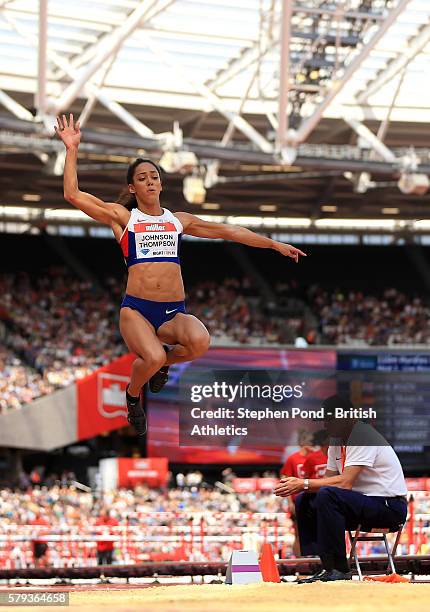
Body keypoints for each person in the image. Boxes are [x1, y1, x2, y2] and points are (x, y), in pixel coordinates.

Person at [55, 113, 306, 437]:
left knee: (200, 342)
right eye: (142, 177)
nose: (149, 181)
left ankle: (161, 366)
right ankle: (133, 395)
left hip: (173, 311)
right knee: (154, 355)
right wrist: (71, 148)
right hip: (137, 310)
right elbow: (73, 195)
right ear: (132, 187)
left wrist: (272, 244)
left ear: (160, 183)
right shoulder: (123, 217)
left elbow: (227, 230)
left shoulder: (178, 220)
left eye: (154, 176)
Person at [274, 395, 408, 583]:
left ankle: (339, 569)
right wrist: (299, 488)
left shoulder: (363, 435)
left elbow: (345, 483)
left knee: (326, 494)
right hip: (363, 503)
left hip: (389, 507)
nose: (325, 425)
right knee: (305, 499)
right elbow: (328, 480)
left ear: (346, 417)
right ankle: (320, 563)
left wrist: (303, 483)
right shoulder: (336, 443)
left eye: (329, 420)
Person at [280, 430, 314, 555]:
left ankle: (317, 562)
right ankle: (301, 563)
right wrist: (290, 502)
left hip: (314, 500)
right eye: (310, 441)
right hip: (298, 502)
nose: (313, 444)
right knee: (299, 534)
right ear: (302, 442)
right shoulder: (293, 459)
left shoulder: (317, 457)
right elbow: (285, 480)